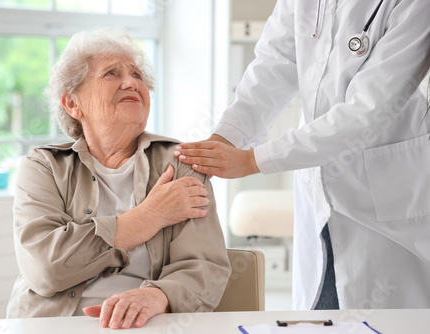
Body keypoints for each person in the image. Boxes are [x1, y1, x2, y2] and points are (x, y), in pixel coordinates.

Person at [174, 0, 430, 310]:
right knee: (320, 314)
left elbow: (368, 111)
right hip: (317, 192)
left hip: (383, 199)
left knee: (385, 318)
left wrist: (253, 160)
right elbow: (274, 64)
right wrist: (224, 139)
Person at [6, 28, 231, 329]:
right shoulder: (44, 167)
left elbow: (206, 265)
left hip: (148, 323)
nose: (131, 83)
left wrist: (158, 297)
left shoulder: (182, 164)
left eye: (137, 75)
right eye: (111, 74)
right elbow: (45, 269)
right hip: (53, 325)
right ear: (73, 104)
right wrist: (147, 218)